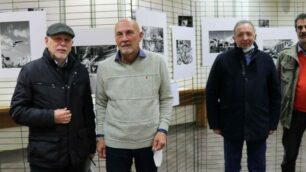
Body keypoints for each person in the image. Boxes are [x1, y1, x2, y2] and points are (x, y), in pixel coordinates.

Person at [9, 23, 96, 172]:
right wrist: (51, 116)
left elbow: (87, 111)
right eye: (57, 39)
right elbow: (17, 111)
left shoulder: (80, 71)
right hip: (46, 157)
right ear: (46, 41)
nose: (62, 43)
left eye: (67, 40)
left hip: (77, 157)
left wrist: (91, 146)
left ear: (72, 44)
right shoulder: (30, 71)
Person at [95, 19, 173, 172]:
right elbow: (101, 103)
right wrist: (100, 136)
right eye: (119, 34)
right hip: (115, 143)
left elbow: (166, 99)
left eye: (129, 32)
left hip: (149, 142)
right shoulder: (104, 67)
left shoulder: (158, 62)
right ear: (115, 39)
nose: (124, 38)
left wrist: (162, 130)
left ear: (141, 35)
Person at [206, 20, 281, 172]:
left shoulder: (266, 60)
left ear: (255, 36)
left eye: (248, 34)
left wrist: (273, 122)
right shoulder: (222, 60)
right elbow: (211, 92)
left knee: (258, 166)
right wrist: (214, 122)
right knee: (232, 167)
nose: (245, 37)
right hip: (231, 123)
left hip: (258, 122)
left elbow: (275, 93)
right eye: (240, 34)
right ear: (234, 38)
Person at [277, 13, 306, 172]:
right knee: (290, 155)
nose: (303, 30)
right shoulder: (285, 56)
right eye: (299, 27)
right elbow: (275, 87)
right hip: (293, 115)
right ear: (295, 30)